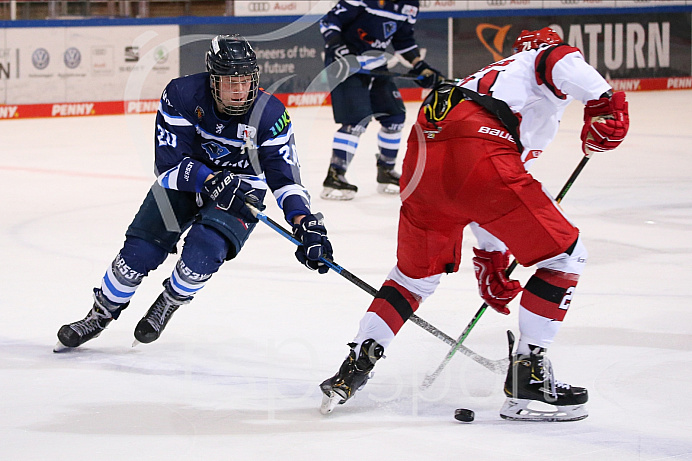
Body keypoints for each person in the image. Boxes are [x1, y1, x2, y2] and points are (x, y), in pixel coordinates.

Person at [319, 27, 629, 421]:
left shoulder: (492, 79)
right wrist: (607, 103)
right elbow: (558, 60)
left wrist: (491, 256)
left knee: (412, 279)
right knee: (566, 258)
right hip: (478, 146)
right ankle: (528, 378)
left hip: (423, 153)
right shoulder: (542, 60)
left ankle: (355, 365)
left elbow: (484, 192)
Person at [55, 35, 333, 351]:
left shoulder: (270, 115)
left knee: (203, 252)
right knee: (138, 254)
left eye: (245, 81)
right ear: (213, 80)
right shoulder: (182, 94)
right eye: (231, 82)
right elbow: (168, 165)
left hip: (241, 189)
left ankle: (170, 300)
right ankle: (100, 313)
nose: (240, 90)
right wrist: (208, 178)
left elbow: (286, 179)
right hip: (186, 178)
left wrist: (304, 221)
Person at [319, 0, 442, 200]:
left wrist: (420, 65)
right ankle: (335, 174)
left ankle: (386, 171)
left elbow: (404, 39)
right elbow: (329, 22)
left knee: (395, 117)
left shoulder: (410, 4)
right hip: (345, 67)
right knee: (356, 122)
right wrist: (339, 48)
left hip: (376, 66)